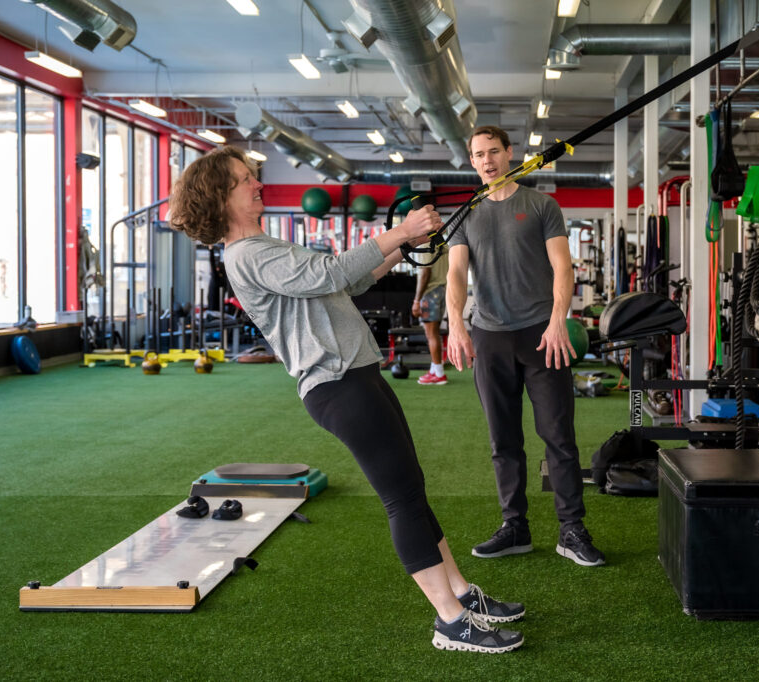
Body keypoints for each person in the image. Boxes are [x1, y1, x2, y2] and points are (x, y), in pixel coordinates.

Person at [169, 146, 523, 653]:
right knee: (401, 498)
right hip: (338, 385)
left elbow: (349, 280)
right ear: (221, 196)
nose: (257, 183)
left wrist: (409, 243)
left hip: (357, 374)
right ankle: (449, 621)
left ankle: (462, 595)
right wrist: (399, 231)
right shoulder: (249, 254)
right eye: (246, 179)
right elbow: (329, 274)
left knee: (412, 489)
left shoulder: (265, 245)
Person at [445, 126, 605, 567]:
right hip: (489, 335)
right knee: (504, 439)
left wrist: (558, 321)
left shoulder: (540, 205)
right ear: (471, 160)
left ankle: (571, 529)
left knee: (559, 436)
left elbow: (562, 267)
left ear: (510, 153)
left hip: (541, 335)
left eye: (493, 151)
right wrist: (455, 323)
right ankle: (514, 526)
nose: (487, 160)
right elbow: (457, 273)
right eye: (478, 154)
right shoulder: (465, 213)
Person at [411, 243, 449, 385]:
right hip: (443, 291)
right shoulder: (443, 245)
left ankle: (439, 374)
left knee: (431, 334)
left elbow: (425, 273)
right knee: (435, 333)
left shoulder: (425, 246)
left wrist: (417, 300)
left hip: (430, 294)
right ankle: (434, 370)